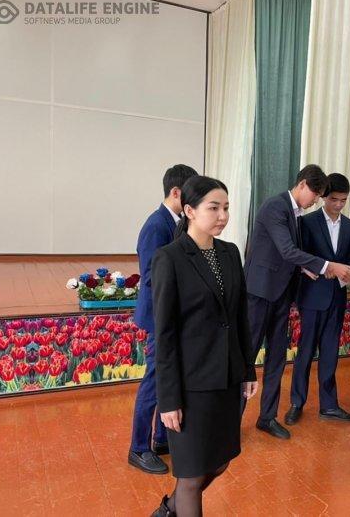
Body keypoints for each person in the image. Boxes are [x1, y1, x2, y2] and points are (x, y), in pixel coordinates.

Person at [151, 176, 259, 517]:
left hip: (225, 379)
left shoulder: (230, 252)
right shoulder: (170, 258)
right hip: (191, 385)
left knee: (221, 461)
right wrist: (169, 399)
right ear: (189, 211)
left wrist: (247, 369)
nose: (222, 216)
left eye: (226, 207)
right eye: (213, 208)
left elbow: (240, 316)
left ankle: (167, 511)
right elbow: (164, 335)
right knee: (191, 475)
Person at [245, 165, 350, 440]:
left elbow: (289, 256)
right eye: (316, 195)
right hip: (259, 294)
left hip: (281, 295)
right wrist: (327, 266)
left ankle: (267, 417)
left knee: (276, 358)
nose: (317, 201)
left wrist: (306, 268)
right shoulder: (276, 206)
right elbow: (287, 250)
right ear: (303, 185)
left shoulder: (294, 213)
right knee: (246, 359)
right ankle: (228, 425)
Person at [128, 164, 197, 475]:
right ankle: (138, 448)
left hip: (172, 315)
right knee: (155, 382)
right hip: (159, 317)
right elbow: (152, 277)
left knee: (169, 379)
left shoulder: (177, 222)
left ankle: (160, 438)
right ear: (176, 192)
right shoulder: (156, 225)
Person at [285, 173, 350, 425]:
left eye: (343, 200)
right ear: (324, 197)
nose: (338, 204)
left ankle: (329, 405)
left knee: (330, 353)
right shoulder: (307, 222)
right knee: (305, 352)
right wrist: (323, 268)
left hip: (337, 297)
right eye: (334, 199)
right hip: (312, 296)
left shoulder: (349, 226)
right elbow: (300, 258)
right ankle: (297, 402)